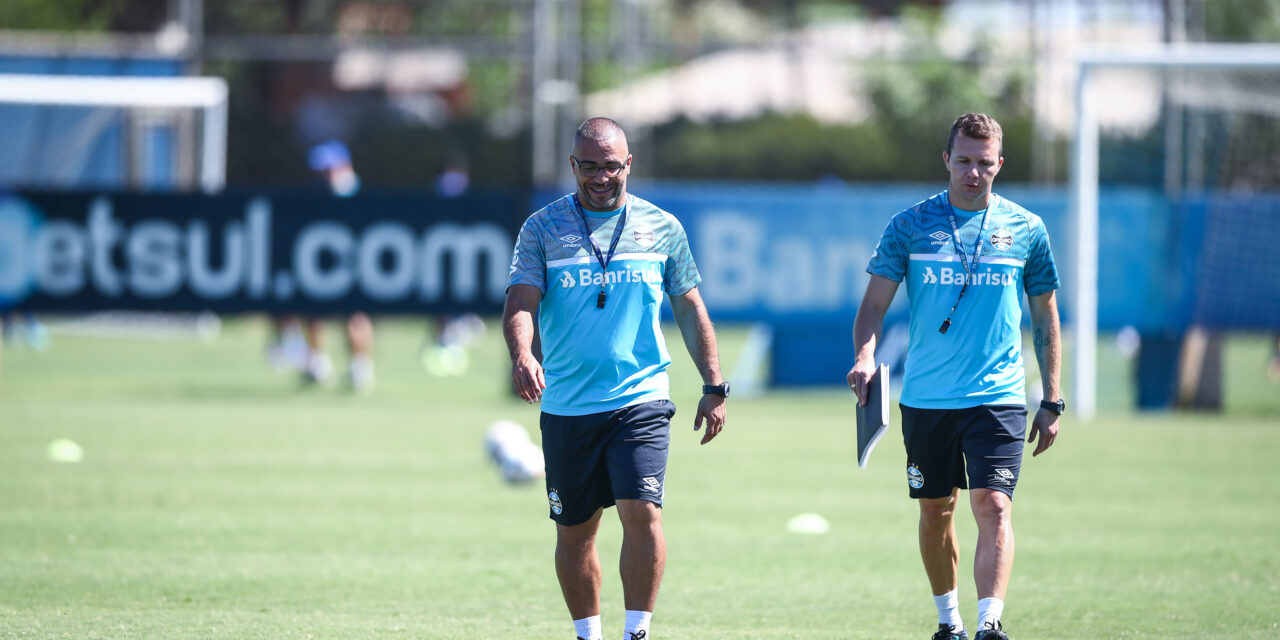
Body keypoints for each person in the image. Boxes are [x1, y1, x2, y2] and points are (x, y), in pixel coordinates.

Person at [503, 117, 728, 640]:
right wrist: (522, 354)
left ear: (629, 163)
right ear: (572, 165)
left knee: (643, 512)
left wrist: (714, 385)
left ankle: (637, 632)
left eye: (610, 166)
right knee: (575, 531)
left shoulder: (662, 227)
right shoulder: (542, 228)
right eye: (588, 166)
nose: (600, 177)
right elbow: (521, 302)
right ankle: (589, 635)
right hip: (568, 404)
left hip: (641, 398)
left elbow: (690, 307)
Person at [846, 113, 1062, 640]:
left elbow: (1045, 316)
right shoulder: (909, 226)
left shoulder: (1027, 229)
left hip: (999, 395)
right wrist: (865, 356)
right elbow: (873, 306)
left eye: (984, 163)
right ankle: (950, 622)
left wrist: (1052, 397)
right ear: (946, 159)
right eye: (963, 160)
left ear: (999, 164)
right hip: (928, 397)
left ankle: (990, 623)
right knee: (936, 510)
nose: (972, 172)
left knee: (994, 505)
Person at [265, 140, 374, 393]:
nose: (323, 174)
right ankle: (317, 363)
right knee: (313, 313)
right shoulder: (316, 192)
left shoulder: (356, 194)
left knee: (355, 316)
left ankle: (360, 367)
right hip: (320, 264)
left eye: (328, 168)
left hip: (352, 265)